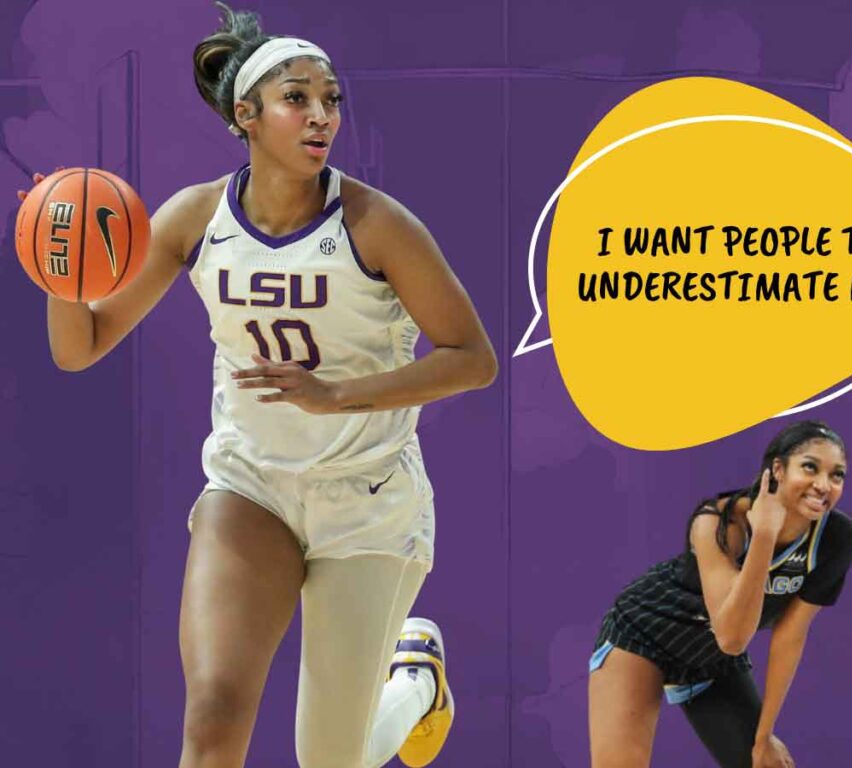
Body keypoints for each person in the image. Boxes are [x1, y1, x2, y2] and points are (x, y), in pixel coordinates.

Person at [20, 3, 496, 766]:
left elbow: (473, 358)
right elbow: (83, 348)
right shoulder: (195, 217)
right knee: (211, 720)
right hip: (253, 488)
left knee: (327, 760)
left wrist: (336, 394)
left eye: (331, 99)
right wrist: (56, 271)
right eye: (297, 98)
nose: (321, 116)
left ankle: (414, 683)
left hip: (367, 499)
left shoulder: (375, 224)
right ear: (246, 115)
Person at [588, 421, 852, 768]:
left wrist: (763, 737)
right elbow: (731, 636)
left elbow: (789, 636)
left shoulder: (836, 538)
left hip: (710, 658)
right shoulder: (718, 521)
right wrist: (763, 536)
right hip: (644, 633)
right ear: (777, 469)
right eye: (810, 467)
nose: (823, 485)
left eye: (837, 476)